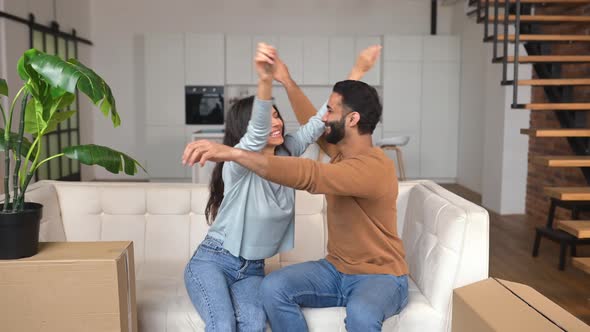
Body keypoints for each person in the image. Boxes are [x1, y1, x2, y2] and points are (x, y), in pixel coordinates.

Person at [182, 45, 409, 332]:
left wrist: (231, 152)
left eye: (331, 111)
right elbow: (317, 121)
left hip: (379, 275)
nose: (325, 116)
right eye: (270, 116)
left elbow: (310, 172)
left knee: (361, 313)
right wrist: (287, 81)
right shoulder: (340, 151)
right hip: (327, 268)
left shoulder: (370, 167)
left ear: (351, 121)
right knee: (268, 291)